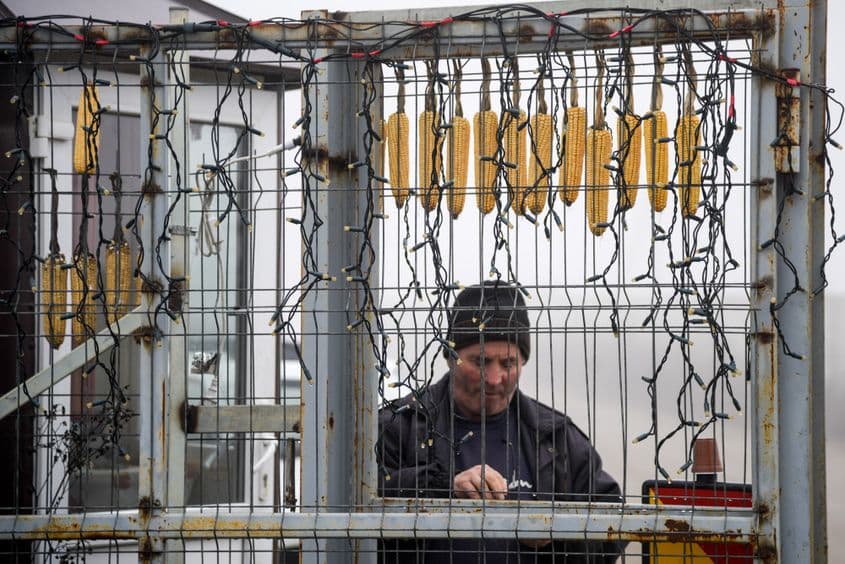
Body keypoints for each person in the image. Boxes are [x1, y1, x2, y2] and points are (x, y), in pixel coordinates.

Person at [377, 281, 625, 563]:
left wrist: (555, 534)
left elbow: (614, 524)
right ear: (450, 357)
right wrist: (442, 490)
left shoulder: (556, 436)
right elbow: (356, 496)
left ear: (523, 362)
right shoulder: (398, 425)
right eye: (480, 361)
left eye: (508, 364)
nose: (494, 379)